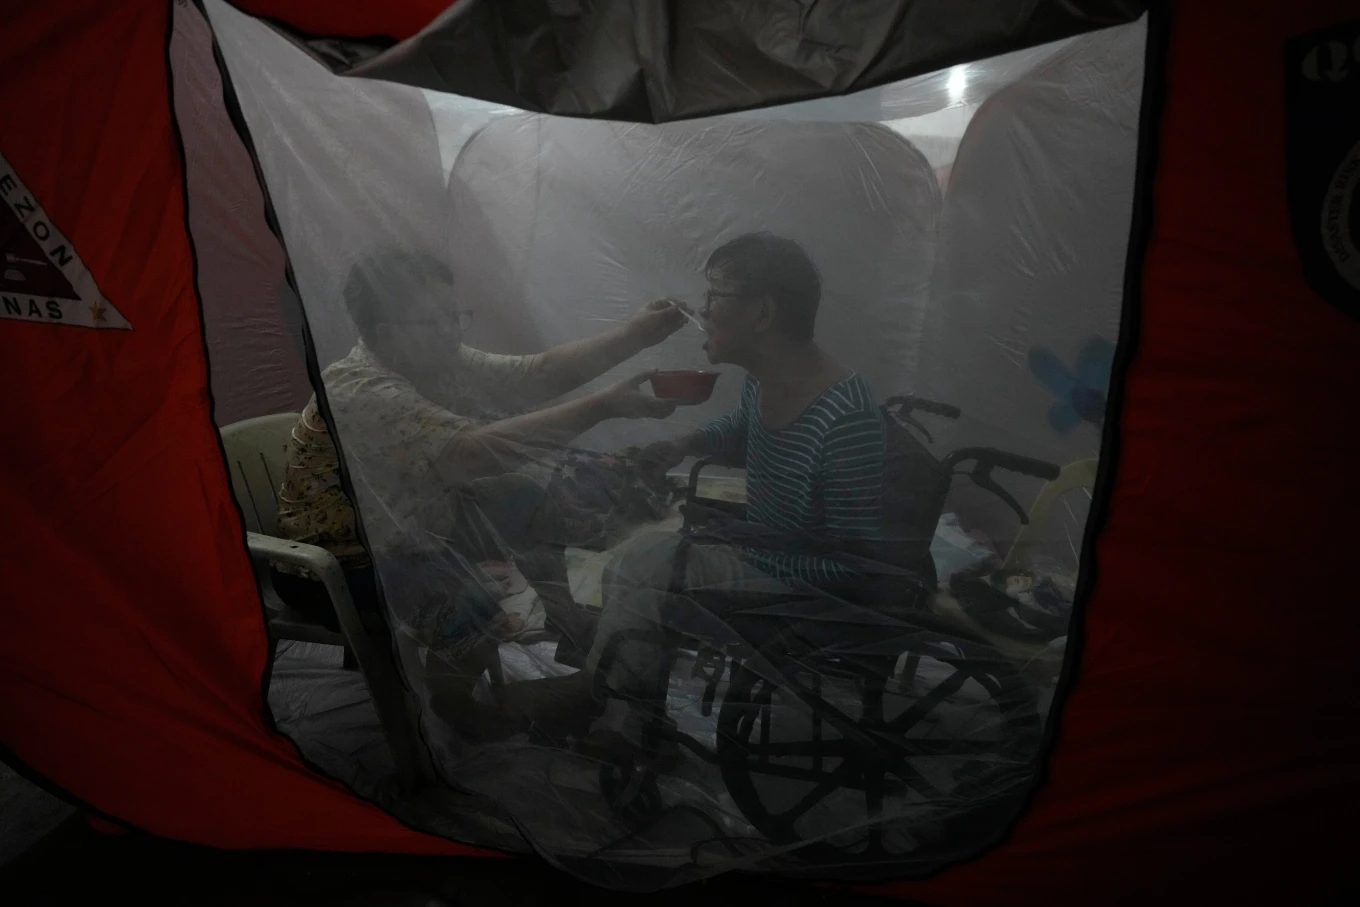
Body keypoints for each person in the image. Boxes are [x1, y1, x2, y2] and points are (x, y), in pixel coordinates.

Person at [273, 247, 690, 737]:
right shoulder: (362, 390)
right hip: (337, 562)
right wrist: (602, 406)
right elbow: (472, 454)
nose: (452, 331)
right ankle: (458, 708)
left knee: (523, 495)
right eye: (434, 321)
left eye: (454, 316)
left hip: (412, 522)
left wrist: (638, 334)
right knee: (472, 602)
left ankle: (565, 617)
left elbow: (535, 375)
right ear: (385, 333)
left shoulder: (435, 360)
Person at [503, 232, 889, 754]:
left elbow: (854, 566)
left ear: (762, 313)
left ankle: (600, 699)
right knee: (637, 564)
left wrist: (745, 550)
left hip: (804, 585)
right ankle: (627, 716)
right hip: (764, 551)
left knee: (650, 561)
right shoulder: (767, 379)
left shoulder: (844, 416)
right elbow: (740, 427)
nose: (702, 310)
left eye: (715, 295)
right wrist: (682, 444)